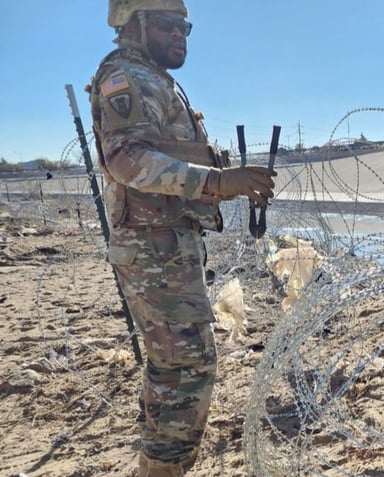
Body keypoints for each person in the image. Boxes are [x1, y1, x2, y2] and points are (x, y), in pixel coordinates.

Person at [88, 1, 276, 475]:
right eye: (169, 24)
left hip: (166, 244)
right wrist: (217, 182)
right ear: (134, 24)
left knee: (171, 367)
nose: (181, 35)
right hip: (153, 248)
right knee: (188, 369)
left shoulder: (157, 80)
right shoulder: (126, 78)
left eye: (186, 26)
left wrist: (219, 176)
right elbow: (127, 159)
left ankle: (157, 462)